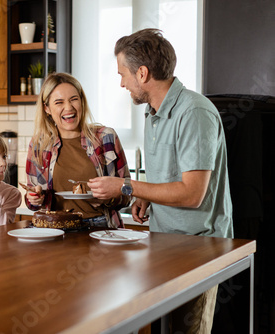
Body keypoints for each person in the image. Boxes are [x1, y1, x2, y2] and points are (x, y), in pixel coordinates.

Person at [88, 28, 233, 333]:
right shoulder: (153, 114)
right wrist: (146, 196)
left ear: (142, 73)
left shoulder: (194, 112)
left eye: (123, 74)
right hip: (165, 245)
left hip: (198, 249)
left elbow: (193, 194)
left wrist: (127, 187)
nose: (122, 83)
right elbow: (170, 177)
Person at [24, 72, 130, 229]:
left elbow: (127, 193)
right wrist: (34, 198)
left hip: (100, 226)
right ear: (47, 108)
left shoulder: (105, 137)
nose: (68, 108)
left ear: (82, 101)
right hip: (55, 228)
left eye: (74, 99)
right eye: (59, 102)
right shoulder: (39, 144)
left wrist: (107, 198)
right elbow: (33, 203)